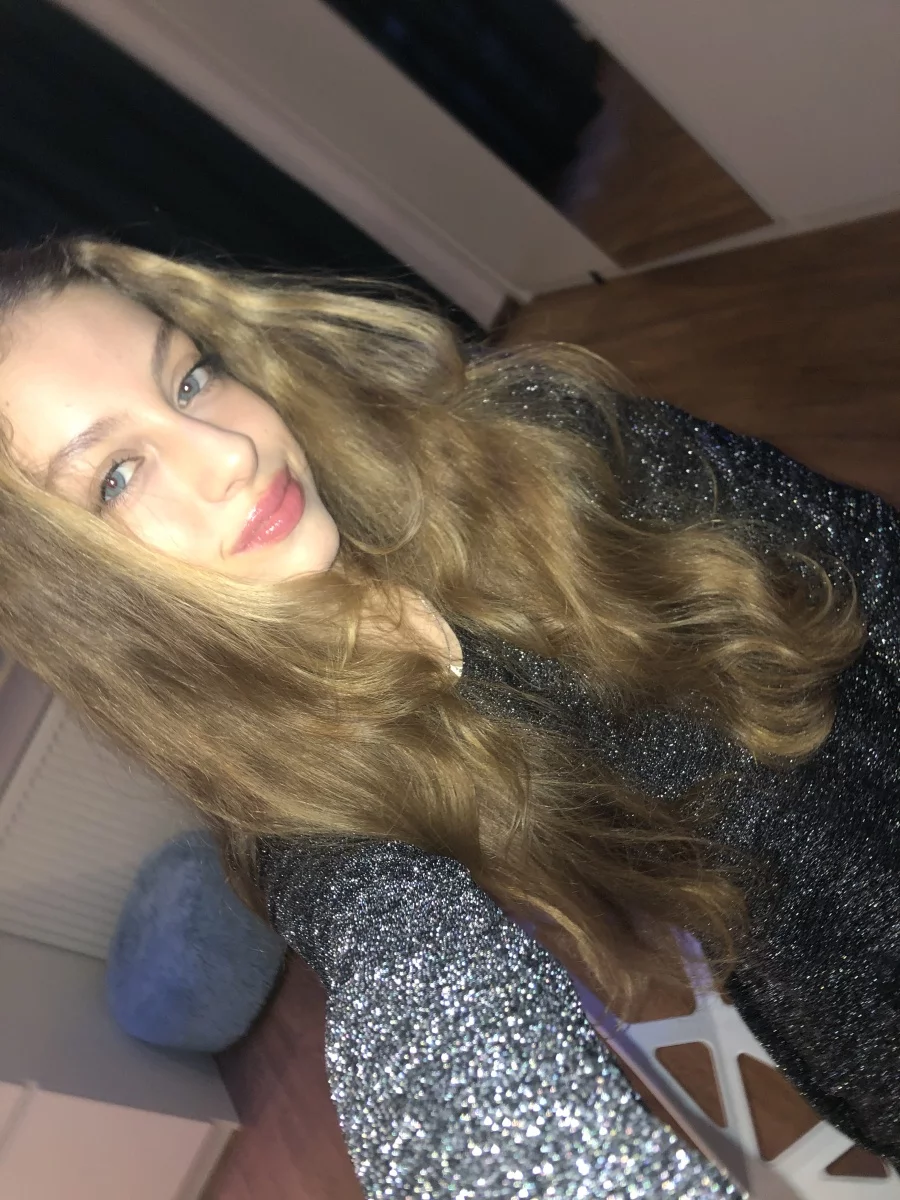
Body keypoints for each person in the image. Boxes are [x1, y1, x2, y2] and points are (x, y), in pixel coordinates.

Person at [0, 236, 896, 1197]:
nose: (230, 453)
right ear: (84, 599)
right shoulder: (298, 804)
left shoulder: (536, 445)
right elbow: (413, 990)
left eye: (190, 379)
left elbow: (869, 562)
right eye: (117, 477)